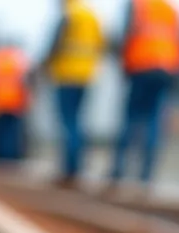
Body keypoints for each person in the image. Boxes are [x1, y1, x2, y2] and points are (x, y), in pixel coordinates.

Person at [110, 0, 179, 189]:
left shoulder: (138, 5)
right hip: (167, 69)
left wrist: (123, 66)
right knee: (153, 119)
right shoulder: (170, 9)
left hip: (141, 65)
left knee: (132, 117)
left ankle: (119, 169)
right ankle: (146, 174)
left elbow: (126, 35)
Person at [43, 0, 105, 187]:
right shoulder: (91, 15)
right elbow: (101, 45)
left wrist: (43, 67)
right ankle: (77, 168)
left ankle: (69, 170)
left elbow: (55, 46)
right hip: (86, 76)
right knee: (78, 122)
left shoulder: (69, 15)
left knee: (68, 123)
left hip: (66, 75)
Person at [0, 40, 30, 164]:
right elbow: (25, 80)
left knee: (0, 132)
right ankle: (10, 158)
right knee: (12, 133)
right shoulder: (18, 58)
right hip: (15, 101)